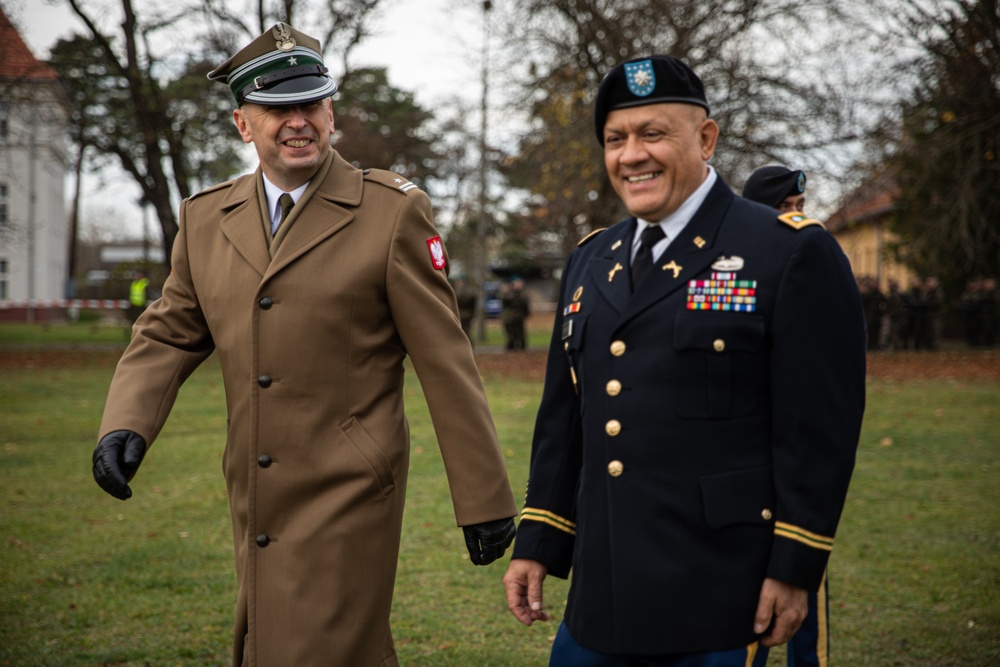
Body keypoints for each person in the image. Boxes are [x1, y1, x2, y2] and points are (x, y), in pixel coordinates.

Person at [91, 23, 517, 667]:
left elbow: (445, 359)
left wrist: (483, 498)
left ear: (330, 111)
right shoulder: (206, 218)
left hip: (350, 486)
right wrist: (126, 422)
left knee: (321, 645)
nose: (298, 123)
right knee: (279, 641)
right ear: (243, 124)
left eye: (310, 104)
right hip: (254, 485)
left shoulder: (390, 211)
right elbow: (170, 330)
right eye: (276, 109)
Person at [502, 55, 866, 667]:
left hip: (722, 595)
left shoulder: (786, 253)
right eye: (616, 139)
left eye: (653, 134)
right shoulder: (591, 260)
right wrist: (537, 539)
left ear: (705, 138)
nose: (631, 155)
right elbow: (564, 421)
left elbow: (817, 431)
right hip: (600, 597)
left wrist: (796, 567)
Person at [741, 165, 838, 666]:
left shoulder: (811, 257)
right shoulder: (737, 266)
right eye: (786, 209)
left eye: (800, 207)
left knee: (804, 580)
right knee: (747, 613)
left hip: (794, 462)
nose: (797, 217)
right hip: (748, 467)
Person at [501, 275, 530, 350]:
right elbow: (506, 301)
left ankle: (521, 345)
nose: (518, 284)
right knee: (511, 333)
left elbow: (525, 305)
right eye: (516, 283)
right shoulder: (509, 293)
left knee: (520, 333)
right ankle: (511, 345)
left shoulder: (523, 294)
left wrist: (526, 313)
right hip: (509, 316)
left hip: (519, 316)